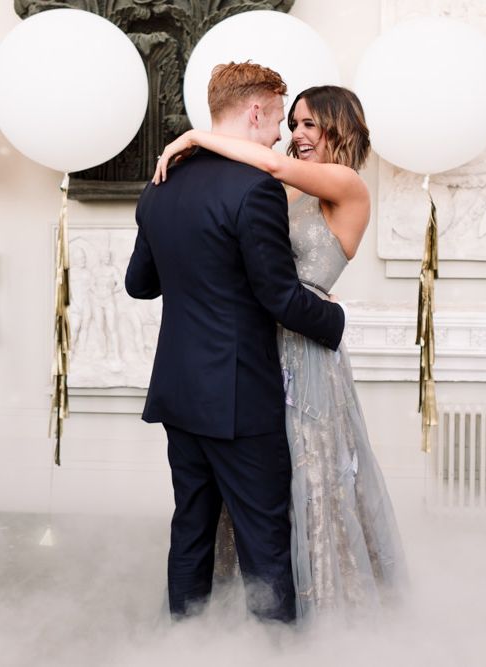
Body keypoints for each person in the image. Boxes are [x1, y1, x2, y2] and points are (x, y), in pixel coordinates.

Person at [154, 83, 407, 620]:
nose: (298, 135)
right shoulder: (279, 186)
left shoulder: (345, 183)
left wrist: (196, 137)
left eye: (311, 124)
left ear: (341, 127)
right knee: (256, 491)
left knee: (309, 478)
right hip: (257, 347)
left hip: (307, 353)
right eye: (293, 124)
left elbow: (270, 169)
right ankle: (240, 615)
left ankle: (314, 619)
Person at [125, 62, 346, 624]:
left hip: (179, 391)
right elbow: (279, 298)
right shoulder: (256, 188)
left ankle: (185, 646)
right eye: (276, 119)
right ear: (254, 111)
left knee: (191, 530)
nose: (278, 135)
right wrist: (335, 321)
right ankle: (275, 654)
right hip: (240, 398)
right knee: (265, 540)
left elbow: (139, 284)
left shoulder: (161, 184)